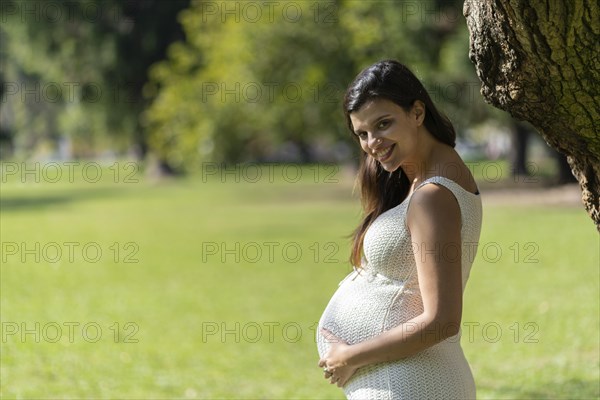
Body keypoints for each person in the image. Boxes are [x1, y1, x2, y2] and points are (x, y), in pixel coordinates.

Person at [316, 60, 482, 399]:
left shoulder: (433, 196)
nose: (372, 143)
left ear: (417, 112)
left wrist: (349, 356)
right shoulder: (420, 181)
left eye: (383, 124)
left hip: (410, 384)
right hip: (403, 380)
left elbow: (442, 320)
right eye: (362, 133)